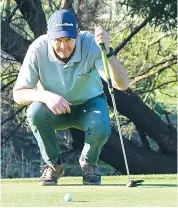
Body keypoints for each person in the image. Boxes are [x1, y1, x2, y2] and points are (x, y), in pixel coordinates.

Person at [13, 9, 129, 186]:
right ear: (48, 36)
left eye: (68, 39)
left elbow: (122, 84)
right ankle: (53, 165)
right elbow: (18, 94)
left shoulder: (91, 44)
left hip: (89, 105)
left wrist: (109, 52)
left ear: (77, 34)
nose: (63, 46)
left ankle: (89, 163)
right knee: (35, 112)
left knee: (100, 124)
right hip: (54, 109)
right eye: (58, 40)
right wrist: (46, 96)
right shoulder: (38, 48)